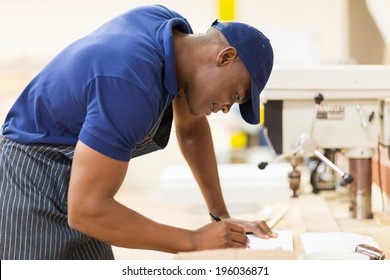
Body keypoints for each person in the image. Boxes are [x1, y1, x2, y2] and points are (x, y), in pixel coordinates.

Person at [0, 4, 275, 260]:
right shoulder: (130, 83)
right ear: (225, 57)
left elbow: (191, 129)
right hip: (30, 185)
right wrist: (193, 241)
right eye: (235, 94)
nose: (227, 108)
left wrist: (220, 215)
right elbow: (87, 211)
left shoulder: (171, 35)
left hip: (77, 183)